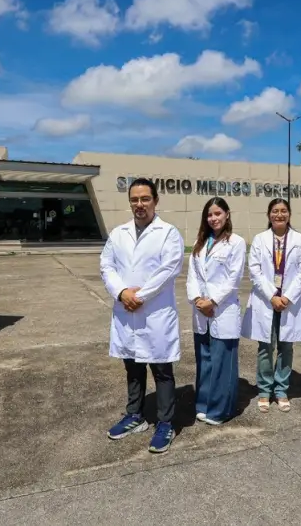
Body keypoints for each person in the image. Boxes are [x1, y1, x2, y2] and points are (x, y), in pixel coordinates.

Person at [100, 178, 185, 453]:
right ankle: (135, 416)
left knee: (161, 369)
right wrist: (122, 291)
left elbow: (169, 268)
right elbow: (106, 265)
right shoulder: (118, 233)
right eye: (135, 200)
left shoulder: (168, 233)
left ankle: (165, 423)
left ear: (155, 201)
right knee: (133, 367)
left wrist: (140, 296)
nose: (140, 204)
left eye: (145, 199)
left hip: (155, 313)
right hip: (127, 310)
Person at [243, 198, 301, 413]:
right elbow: (254, 270)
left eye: (283, 211)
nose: (279, 215)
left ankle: (281, 389)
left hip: (289, 302)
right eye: (275, 211)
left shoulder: (299, 239)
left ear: (289, 214)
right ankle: (264, 390)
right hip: (266, 301)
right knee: (265, 347)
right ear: (269, 215)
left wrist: (287, 297)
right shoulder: (260, 239)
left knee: (286, 347)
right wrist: (272, 295)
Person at [186, 197, 246, 425]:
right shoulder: (200, 242)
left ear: (227, 214)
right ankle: (204, 404)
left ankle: (221, 410)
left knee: (223, 362)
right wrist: (197, 300)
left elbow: (234, 279)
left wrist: (213, 301)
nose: (213, 218)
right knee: (205, 360)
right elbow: (192, 275)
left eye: (218, 213)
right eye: (210, 215)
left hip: (222, 310)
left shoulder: (236, 242)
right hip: (201, 310)